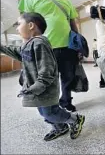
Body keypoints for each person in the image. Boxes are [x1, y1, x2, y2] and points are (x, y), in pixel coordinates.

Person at [0, 13, 85, 141]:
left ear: (30, 25)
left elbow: (47, 70)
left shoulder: (40, 43)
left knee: (50, 113)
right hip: (38, 90)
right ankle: (60, 127)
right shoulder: (29, 44)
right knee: (44, 112)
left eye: (19, 24)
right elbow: (16, 51)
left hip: (44, 89)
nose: (17, 28)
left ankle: (75, 119)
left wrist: (35, 88)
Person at [18, 0, 79, 112]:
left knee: (68, 77)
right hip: (44, 48)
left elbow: (73, 23)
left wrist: (78, 44)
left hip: (68, 47)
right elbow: (25, 23)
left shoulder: (66, 0)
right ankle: (52, 107)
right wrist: (25, 48)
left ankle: (66, 101)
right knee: (48, 79)